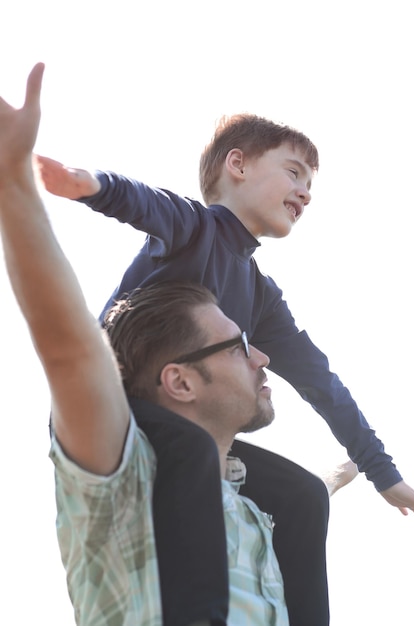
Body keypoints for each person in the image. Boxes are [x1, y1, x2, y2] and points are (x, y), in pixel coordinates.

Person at [35, 110, 414, 626]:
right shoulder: (193, 229)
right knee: (195, 445)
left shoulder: (261, 295)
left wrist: (382, 472)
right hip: (111, 416)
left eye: (311, 184)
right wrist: (86, 184)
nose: (306, 193)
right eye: (294, 172)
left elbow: (322, 383)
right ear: (237, 165)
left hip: (182, 428)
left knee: (304, 495)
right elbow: (145, 203)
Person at [0, 64, 293, 626]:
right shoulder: (124, 476)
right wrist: (14, 178)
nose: (261, 356)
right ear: (179, 380)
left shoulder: (255, 516)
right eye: (236, 348)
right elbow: (71, 349)